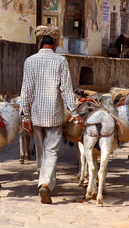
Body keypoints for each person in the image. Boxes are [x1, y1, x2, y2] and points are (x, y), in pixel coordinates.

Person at [19, 25, 84, 204]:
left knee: (41, 151)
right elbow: (66, 90)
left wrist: (24, 116)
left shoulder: (29, 61)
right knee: (52, 151)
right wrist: (74, 112)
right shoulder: (60, 61)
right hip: (54, 115)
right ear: (55, 43)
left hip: (36, 115)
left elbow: (26, 91)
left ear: (40, 42)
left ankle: (44, 181)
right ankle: (45, 184)